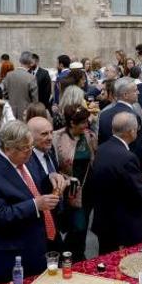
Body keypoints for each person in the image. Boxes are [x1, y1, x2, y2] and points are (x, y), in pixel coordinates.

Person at [0, 121, 62, 284]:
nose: (30, 152)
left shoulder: (27, 157)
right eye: (25, 148)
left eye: (31, 146)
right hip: (13, 254)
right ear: (8, 148)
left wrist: (51, 177)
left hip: (39, 245)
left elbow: (33, 185)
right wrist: (35, 205)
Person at [89, 112, 142, 255]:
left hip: (105, 220)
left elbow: (120, 180)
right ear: (131, 131)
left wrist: (140, 179)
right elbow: (141, 193)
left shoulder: (103, 148)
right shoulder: (127, 157)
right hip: (123, 226)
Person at [52, 105, 97, 259]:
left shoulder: (89, 136)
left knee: (82, 226)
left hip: (88, 188)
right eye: (83, 122)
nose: (86, 125)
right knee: (76, 225)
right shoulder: (57, 137)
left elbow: (94, 159)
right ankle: (67, 254)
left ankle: (78, 254)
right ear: (72, 123)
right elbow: (54, 164)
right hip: (69, 190)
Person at [97, 78, 142, 157]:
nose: (138, 92)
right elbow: (139, 148)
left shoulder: (104, 114)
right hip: (127, 162)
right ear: (125, 95)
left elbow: (101, 142)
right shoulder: (133, 116)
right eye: (135, 90)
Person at [2, 52, 39, 119]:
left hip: (10, 111)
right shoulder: (31, 78)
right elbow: (35, 100)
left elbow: (4, 94)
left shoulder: (9, 75)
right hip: (26, 113)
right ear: (30, 63)